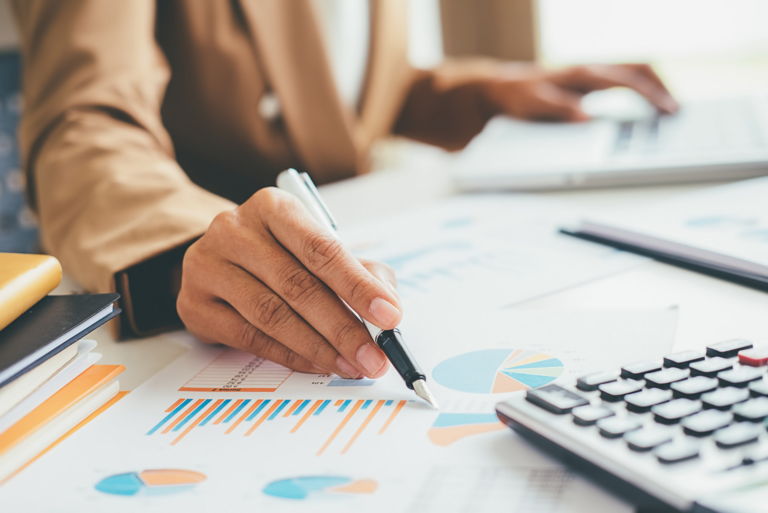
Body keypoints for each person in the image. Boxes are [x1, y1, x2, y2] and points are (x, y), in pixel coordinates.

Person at [11, 0, 677, 380]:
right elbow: (84, 121)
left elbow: (340, 87)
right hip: (193, 316)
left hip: (346, 251)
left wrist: (483, 91)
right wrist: (185, 239)